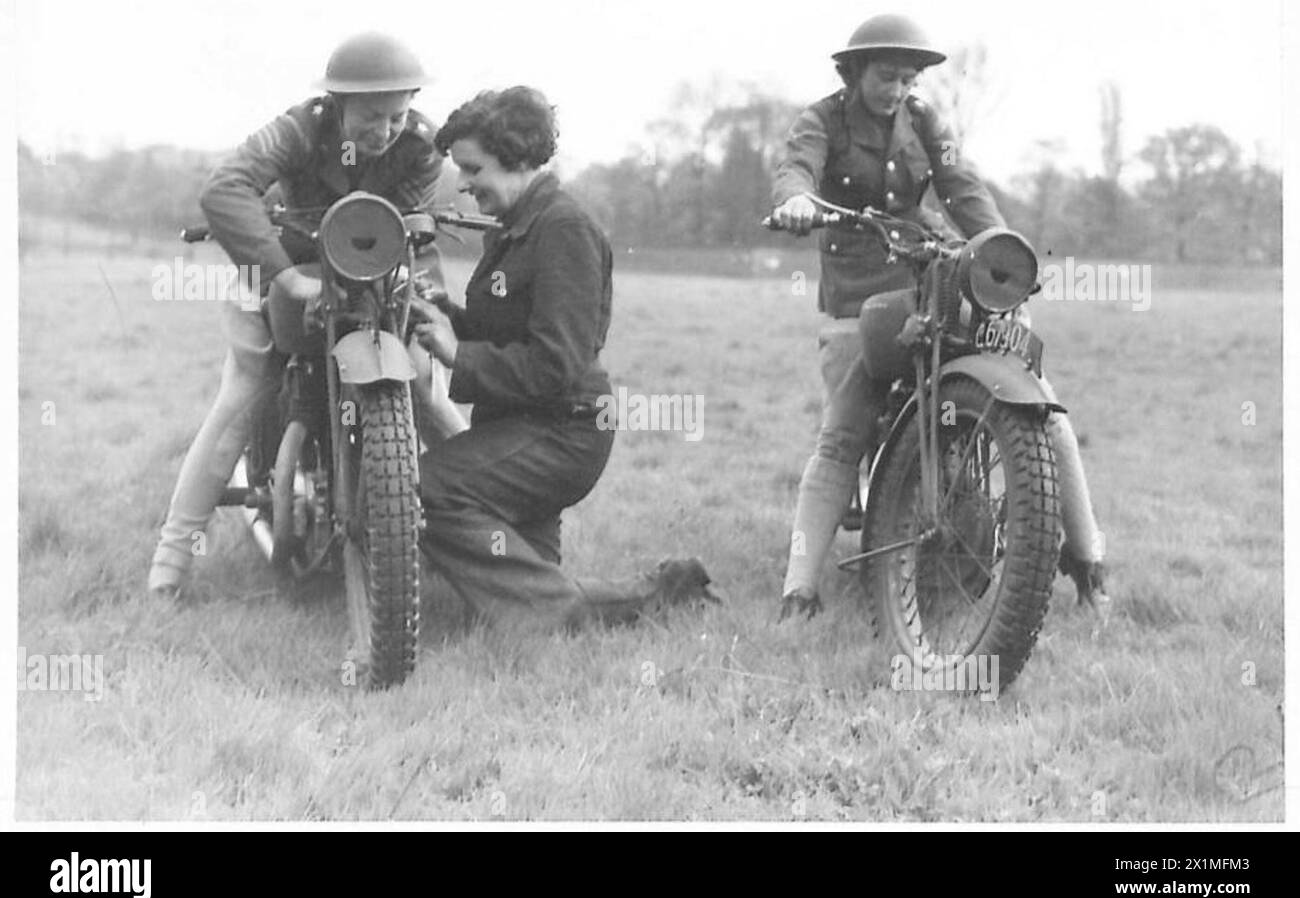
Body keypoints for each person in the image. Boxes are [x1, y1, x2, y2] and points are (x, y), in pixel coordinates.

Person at [771, 14, 1108, 620]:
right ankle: (799, 589)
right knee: (843, 434)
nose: (897, 90)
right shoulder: (821, 119)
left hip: (929, 274)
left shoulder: (925, 121)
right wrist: (796, 199)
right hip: (855, 293)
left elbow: (961, 187)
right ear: (854, 72)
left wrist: (1007, 253)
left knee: (1047, 411)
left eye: (906, 79)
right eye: (885, 77)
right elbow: (797, 165)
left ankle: (1088, 562)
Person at [148, 32, 468, 595]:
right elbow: (226, 189)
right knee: (244, 393)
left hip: (385, 270)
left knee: (425, 385)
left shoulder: (422, 144)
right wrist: (286, 275)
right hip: (287, 263)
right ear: (338, 103)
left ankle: (494, 529)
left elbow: (412, 225)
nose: (385, 130)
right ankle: (169, 567)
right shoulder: (296, 129)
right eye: (370, 115)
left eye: (397, 115)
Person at [411, 87, 716, 631]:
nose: (462, 183)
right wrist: (451, 317)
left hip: (562, 431)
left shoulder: (563, 229)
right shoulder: (520, 226)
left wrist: (459, 355)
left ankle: (599, 605)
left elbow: (557, 365)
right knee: (522, 575)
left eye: (472, 168)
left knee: (425, 490)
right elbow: (515, 330)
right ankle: (648, 592)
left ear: (518, 157)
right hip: (526, 423)